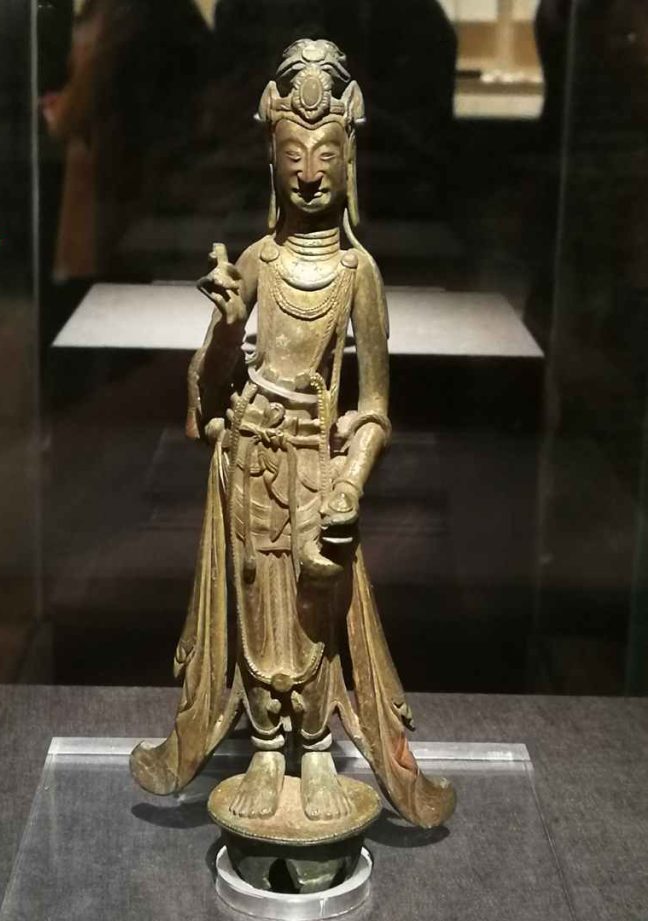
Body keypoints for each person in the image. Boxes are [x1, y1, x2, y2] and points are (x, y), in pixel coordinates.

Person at [131, 39, 455, 829]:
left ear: (350, 161)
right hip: (250, 455)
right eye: (292, 155)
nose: (309, 172)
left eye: (326, 154)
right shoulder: (259, 260)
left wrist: (351, 480)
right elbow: (211, 389)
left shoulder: (357, 274)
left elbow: (374, 407)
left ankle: (315, 747)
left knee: (316, 608)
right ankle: (266, 746)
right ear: (271, 162)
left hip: (316, 463)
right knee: (255, 600)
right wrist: (224, 324)